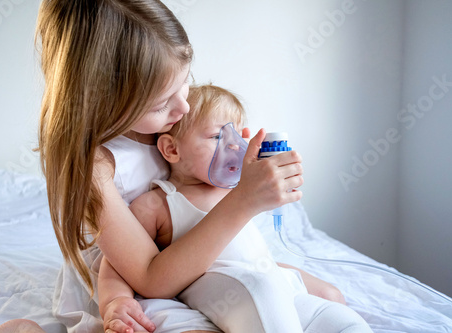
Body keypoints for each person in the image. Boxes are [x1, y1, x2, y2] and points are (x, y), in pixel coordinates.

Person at [0, 1, 304, 333]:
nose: (183, 106)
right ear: (102, 98)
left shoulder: (167, 123)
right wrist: (244, 200)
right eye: (162, 102)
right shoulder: (96, 167)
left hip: (193, 265)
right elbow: (150, 277)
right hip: (130, 288)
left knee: (318, 297)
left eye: (183, 83)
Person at [117, 84, 373, 332]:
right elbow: (120, 261)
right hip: (223, 289)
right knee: (261, 289)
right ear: (172, 149)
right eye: (218, 136)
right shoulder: (159, 203)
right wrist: (115, 300)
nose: (234, 145)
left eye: (238, 136)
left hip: (269, 279)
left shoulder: (238, 189)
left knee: (341, 319)